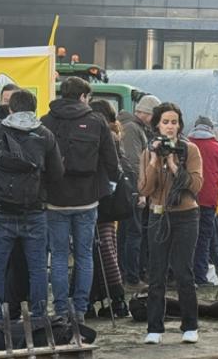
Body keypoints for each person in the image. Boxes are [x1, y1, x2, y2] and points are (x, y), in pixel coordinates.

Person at [0, 89, 64, 330]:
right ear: (34, 109)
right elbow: (57, 173)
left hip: (0, 210)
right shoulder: (44, 134)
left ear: (10, 108)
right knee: (37, 268)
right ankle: (37, 317)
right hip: (34, 211)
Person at [41, 76, 119, 320]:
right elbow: (111, 159)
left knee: (60, 255)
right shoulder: (96, 121)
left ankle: (61, 309)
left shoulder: (46, 121)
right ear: (84, 96)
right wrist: (113, 184)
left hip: (55, 199)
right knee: (85, 255)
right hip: (87, 199)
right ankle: (81, 309)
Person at [137, 101, 203, 344]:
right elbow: (144, 188)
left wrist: (174, 165)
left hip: (186, 215)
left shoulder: (190, 150)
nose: (170, 127)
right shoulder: (147, 152)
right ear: (157, 125)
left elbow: (196, 186)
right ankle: (154, 328)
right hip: (158, 214)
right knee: (156, 272)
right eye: (165, 122)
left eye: (174, 122)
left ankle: (190, 325)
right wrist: (155, 161)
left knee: (184, 271)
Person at [88, 99, 129, 318]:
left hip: (101, 199)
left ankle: (116, 298)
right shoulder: (114, 135)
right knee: (103, 249)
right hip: (109, 200)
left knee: (101, 250)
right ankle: (108, 298)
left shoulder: (105, 137)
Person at [187, 116, 218, 287]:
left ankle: (181, 277)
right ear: (211, 129)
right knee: (203, 241)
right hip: (207, 203)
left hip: (184, 200)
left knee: (183, 241)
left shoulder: (184, 144)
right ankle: (200, 277)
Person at [119, 94, 159, 284]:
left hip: (132, 189)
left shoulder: (134, 128)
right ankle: (131, 276)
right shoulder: (133, 129)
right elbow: (134, 162)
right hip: (134, 189)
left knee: (130, 233)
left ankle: (129, 273)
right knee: (133, 233)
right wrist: (141, 191)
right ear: (146, 114)